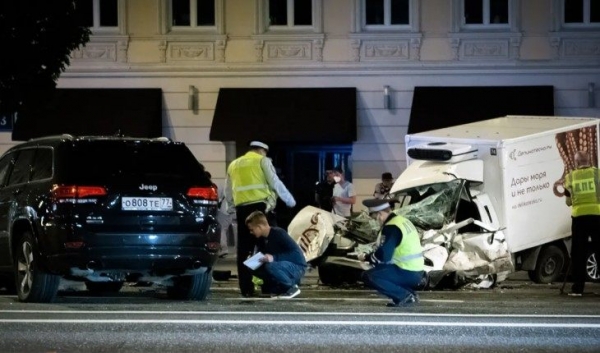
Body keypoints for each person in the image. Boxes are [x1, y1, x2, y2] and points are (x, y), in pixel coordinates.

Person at [224, 140, 296, 297]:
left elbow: (228, 190)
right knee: (268, 247)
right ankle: (269, 286)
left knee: (244, 250)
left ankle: (246, 288)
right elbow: (275, 182)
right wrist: (290, 201)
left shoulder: (234, 164)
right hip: (261, 209)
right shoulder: (262, 160)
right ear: (263, 150)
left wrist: (231, 209)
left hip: (241, 210)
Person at [359, 198, 425, 307]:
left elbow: (384, 256)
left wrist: (367, 258)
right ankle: (411, 294)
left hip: (407, 271)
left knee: (369, 275)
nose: (376, 221)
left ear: (380, 214)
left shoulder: (391, 227)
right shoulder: (402, 221)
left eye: (375, 217)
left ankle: (404, 296)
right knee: (380, 270)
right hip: (417, 271)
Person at [245, 210, 307, 298]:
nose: (251, 232)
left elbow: (298, 255)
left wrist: (274, 257)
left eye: (252, 229)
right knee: (251, 265)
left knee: (270, 266)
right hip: (283, 266)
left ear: (259, 227)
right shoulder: (262, 239)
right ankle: (279, 286)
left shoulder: (279, 234)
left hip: (297, 267)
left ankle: (291, 288)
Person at [563, 150, 600, 297]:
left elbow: (568, 202)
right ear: (589, 160)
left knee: (578, 252)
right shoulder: (597, 174)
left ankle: (578, 289)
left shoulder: (570, 177)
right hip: (597, 216)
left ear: (577, 162)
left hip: (579, 218)